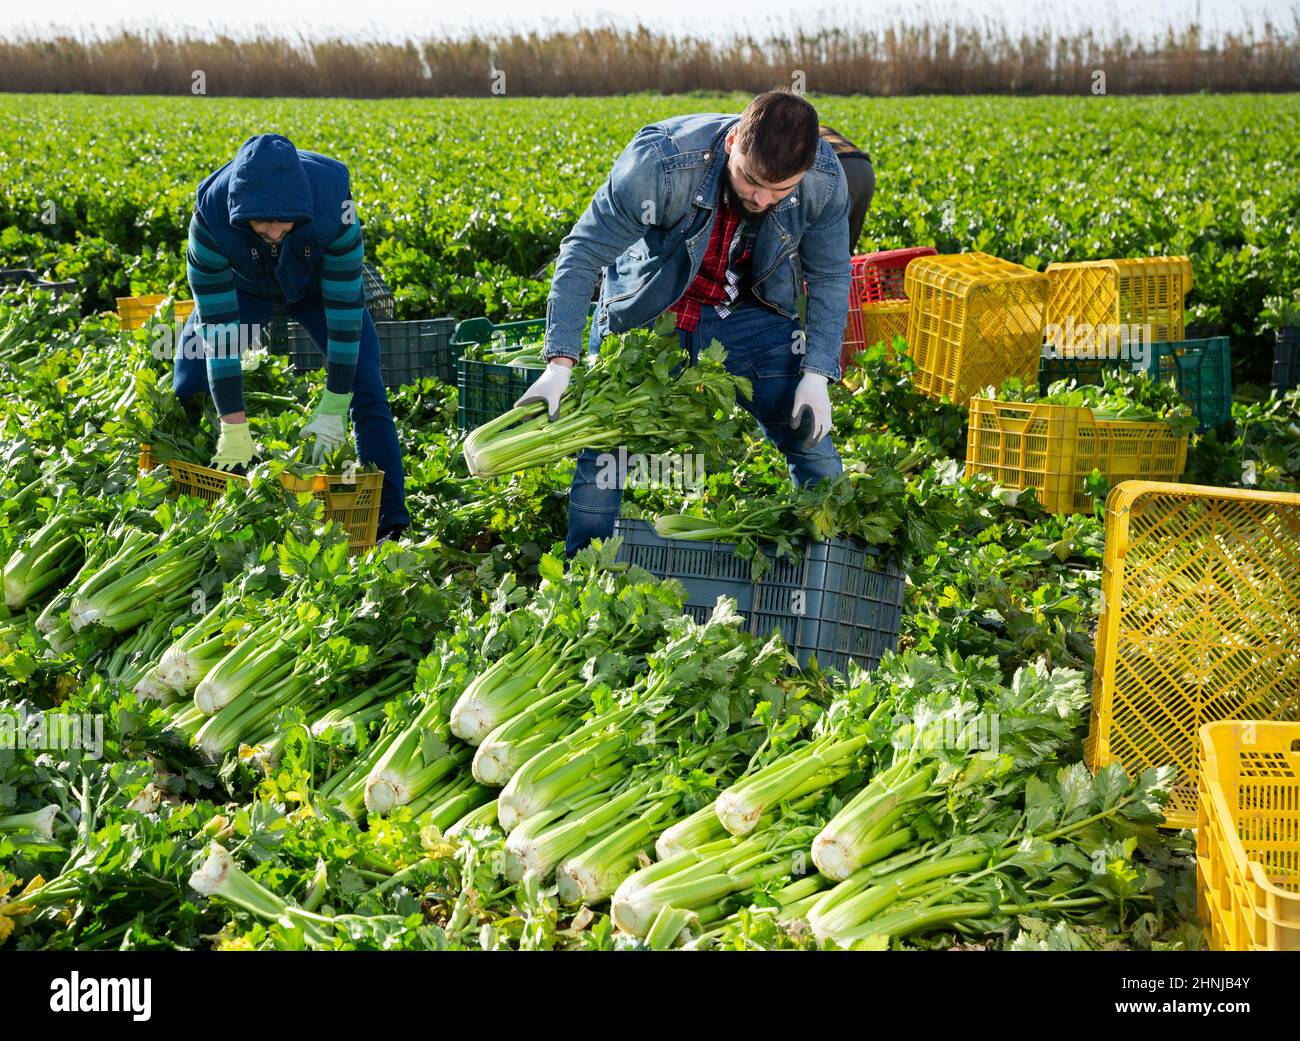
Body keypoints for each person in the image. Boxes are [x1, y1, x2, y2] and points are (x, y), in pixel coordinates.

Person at [515, 89, 851, 557]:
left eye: (782, 191)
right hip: (655, 311)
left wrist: (817, 373)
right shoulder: (662, 161)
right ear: (733, 141)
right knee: (607, 450)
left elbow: (831, 274)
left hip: (755, 316)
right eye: (752, 181)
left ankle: (832, 570)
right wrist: (560, 362)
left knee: (811, 439)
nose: (763, 200)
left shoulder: (824, 178)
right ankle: (581, 571)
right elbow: (582, 253)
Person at [172, 133, 408, 542]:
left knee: (366, 385)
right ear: (239, 210)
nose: (276, 231)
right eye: (263, 222)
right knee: (188, 383)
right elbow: (220, 333)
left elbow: (345, 317)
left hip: (315, 288)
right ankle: (186, 497)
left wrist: (333, 406)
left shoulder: (336, 208)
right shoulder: (209, 217)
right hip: (244, 289)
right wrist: (233, 425)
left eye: (286, 222)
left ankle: (389, 522)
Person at [818, 123, 875, 251]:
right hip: (864, 168)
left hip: (833, 169)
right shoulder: (819, 125)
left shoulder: (780, 132)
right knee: (846, 247)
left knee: (823, 251)